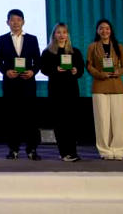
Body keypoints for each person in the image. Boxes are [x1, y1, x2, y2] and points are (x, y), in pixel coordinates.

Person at [0, 8, 41, 160]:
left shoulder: (32, 39)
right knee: (12, 117)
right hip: (10, 83)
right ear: (7, 22)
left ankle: (32, 149)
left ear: (23, 22)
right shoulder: (1, 39)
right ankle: (13, 149)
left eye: (18, 20)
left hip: (28, 83)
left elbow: (38, 61)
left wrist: (33, 71)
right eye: (12, 20)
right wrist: (6, 71)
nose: (15, 23)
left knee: (31, 117)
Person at [40, 22, 85, 162]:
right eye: (58, 32)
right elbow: (43, 69)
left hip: (71, 91)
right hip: (56, 91)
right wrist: (55, 69)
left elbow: (81, 70)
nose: (61, 35)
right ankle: (64, 152)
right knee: (59, 122)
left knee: (71, 122)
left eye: (64, 32)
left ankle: (72, 151)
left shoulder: (75, 52)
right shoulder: (47, 52)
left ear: (68, 34)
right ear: (54, 34)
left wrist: (76, 70)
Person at [86, 18, 123, 160]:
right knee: (102, 121)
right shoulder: (92, 46)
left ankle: (119, 150)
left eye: (107, 28)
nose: (104, 31)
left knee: (118, 121)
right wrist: (100, 74)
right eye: (101, 28)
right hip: (99, 86)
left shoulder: (119, 46)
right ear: (97, 31)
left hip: (117, 86)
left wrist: (118, 72)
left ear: (111, 31)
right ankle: (105, 151)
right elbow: (89, 66)